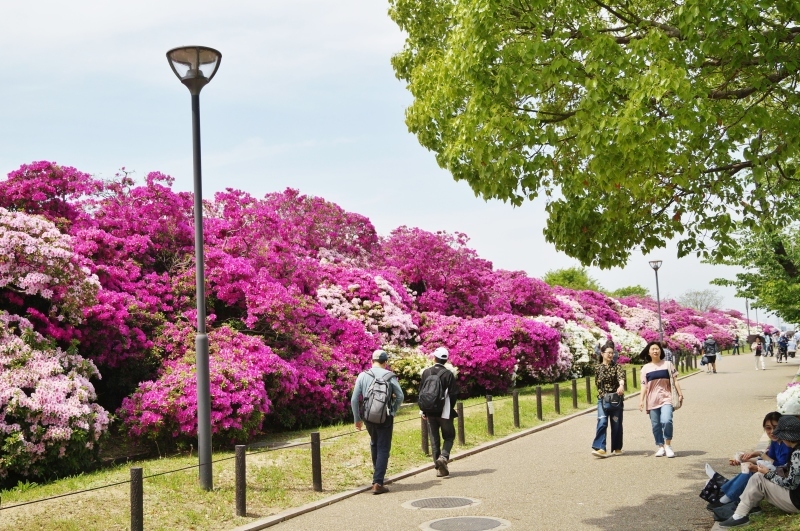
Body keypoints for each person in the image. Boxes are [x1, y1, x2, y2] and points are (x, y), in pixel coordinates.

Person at [718, 415, 800, 528]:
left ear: (787, 437)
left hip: (796, 502)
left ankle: (739, 515)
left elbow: (791, 483)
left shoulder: (797, 453)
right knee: (758, 475)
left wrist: (767, 473)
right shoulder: (795, 450)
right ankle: (747, 507)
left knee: (758, 477)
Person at [704, 412, 790, 507]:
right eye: (768, 428)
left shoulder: (787, 443)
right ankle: (724, 493)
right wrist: (743, 460)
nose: (772, 431)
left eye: (776, 427)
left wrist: (759, 454)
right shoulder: (776, 442)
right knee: (749, 468)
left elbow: (779, 466)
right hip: (775, 473)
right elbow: (770, 461)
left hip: (782, 479)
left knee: (750, 471)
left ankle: (723, 495)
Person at [350, 349, 404, 494]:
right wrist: (392, 411)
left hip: (368, 417)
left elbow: (355, 399)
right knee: (383, 447)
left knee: (374, 442)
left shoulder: (363, 375)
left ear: (371, 361)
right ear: (385, 362)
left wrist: (357, 419)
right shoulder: (390, 376)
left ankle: (377, 474)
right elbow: (400, 396)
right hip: (385, 416)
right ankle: (378, 482)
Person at [419, 347, 459, 477]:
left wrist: (424, 410)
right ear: (446, 360)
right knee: (449, 436)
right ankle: (443, 457)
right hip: (444, 412)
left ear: (434, 358)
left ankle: (439, 469)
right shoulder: (448, 374)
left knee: (434, 439)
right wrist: (450, 408)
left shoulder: (426, 372)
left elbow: (421, 393)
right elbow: (453, 394)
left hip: (430, 412)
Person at [639, 341, 684, 457]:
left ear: (661, 351)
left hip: (666, 398)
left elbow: (675, 380)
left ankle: (668, 445)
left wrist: (680, 394)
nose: (655, 351)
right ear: (648, 352)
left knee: (666, 420)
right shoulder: (645, 368)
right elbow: (644, 385)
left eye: (657, 349)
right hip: (652, 400)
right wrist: (641, 401)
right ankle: (660, 446)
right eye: (653, 349)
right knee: (656, 425)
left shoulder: (668, 364)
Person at [591, 344, 626, 458]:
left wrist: (621, 386)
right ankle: (601, 448)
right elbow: (597, 383)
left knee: (616, 424)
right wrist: (603, 394)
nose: (611, 355)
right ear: (602, 354)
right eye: (608, 353)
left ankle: (617, 447)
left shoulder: (617, 367)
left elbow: (621, 377)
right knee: (602, 422)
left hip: (616, 400)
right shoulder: (597, 368)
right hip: (602, 399)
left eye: (612, 353)